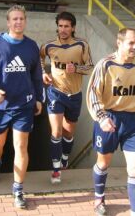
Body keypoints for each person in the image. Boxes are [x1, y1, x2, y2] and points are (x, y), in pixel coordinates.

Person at [0, 5, 43, 209]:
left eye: (21, 18)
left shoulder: (31, 46)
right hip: (0, 106)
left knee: (21, 147)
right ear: (8, 22)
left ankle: (18, 190)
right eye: (14, 19)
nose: (18, 22)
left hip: (24, 105)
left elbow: (36, 76)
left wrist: (39, 98)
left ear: (25, 21)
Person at [86, 28, 135, 216]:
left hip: (133, 121)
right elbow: (93, 94)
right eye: (131, 43)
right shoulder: (105, 65)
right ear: (119, 43)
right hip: (109, 119)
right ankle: (99, 198)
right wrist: (102, 117)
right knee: (103, 164)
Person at [40, 11, 93, 184]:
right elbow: (39, 58)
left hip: (75, 95)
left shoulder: (82, 45)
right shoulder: (48, 46)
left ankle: (65, 156)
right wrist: (43, 73)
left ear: (73, 28)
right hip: (56, 93)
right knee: (56, 132)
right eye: (60, 26)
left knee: (68, 133)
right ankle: (56, 170)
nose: (63, 29)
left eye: (66, 26)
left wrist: (76, 69)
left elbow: (90, 68)